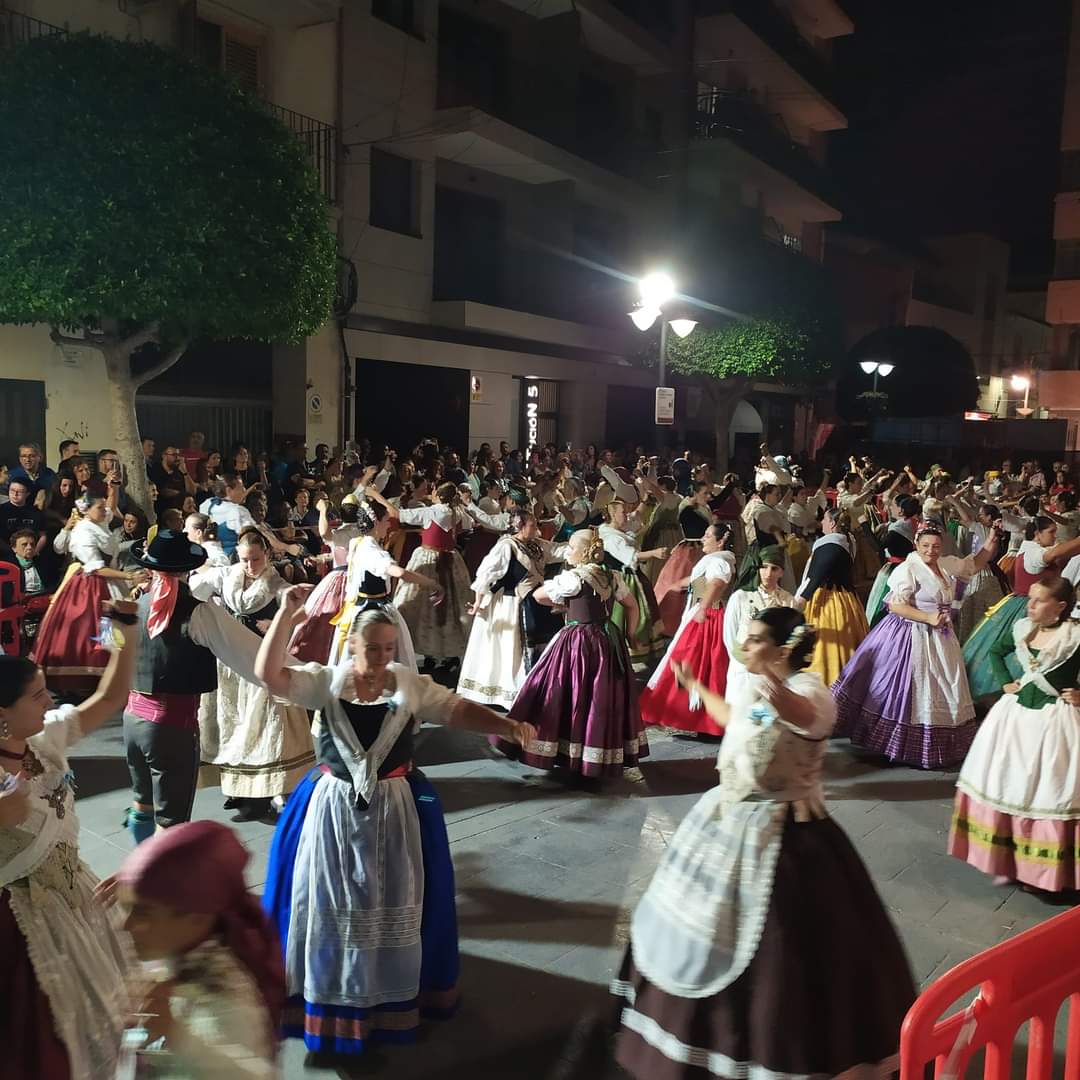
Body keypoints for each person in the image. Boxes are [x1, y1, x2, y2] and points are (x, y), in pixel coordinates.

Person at [613, 607, 914, 1080]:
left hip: (787, 834)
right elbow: (738, 720)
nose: (745, 645)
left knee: (782, 948)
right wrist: (695, 687)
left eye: (755, 639)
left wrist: (773, 681)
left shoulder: (809, 691)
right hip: (728, 819)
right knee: (696, 926)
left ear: (783, 649)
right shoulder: (759, 689)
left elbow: (806, 718)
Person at [257, 599, 535, 1061]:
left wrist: (503, 724)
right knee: (330, 899)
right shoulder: (325, 682)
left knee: (391, 899)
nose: (382, 657)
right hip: (331, 810)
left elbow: (456, 709)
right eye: (372, 648)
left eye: (388, 647)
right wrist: (287, 613)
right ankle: (330, 999)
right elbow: (270, 674)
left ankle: (384, 998)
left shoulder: (407, 683)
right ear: (351, 645)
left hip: (396, 808)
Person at [0, 605, 138, 1080]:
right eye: (37, 695)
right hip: (20, 924)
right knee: (44, 1045)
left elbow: (111, 695)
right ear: (3, 714)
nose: (49, 699)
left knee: (104, 1017)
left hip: (77, 897)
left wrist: (122, 629)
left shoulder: (44, 741)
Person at [120, 530, 275, 843]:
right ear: (186, 569)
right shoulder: (199, 612)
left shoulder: (132, 607)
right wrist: (291, 674)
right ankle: (158, 886)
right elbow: (251, 657)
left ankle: (141, 869)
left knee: (142, 804)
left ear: (151, 568)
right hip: (170, 727)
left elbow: (112, 651)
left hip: (131, 720)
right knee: (171, 821)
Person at [111, 821, 285, 1077]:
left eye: (143, 912)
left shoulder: (224, 991)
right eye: (128, 908)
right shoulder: (176, 952)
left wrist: (175, 1031)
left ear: (197, 917)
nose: (123, 925)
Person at [949, 577, 1080, 892]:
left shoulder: (1074, 637)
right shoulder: (1022, 629)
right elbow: (997, 651)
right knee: (1008, 784)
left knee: (1049, 791)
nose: (1030, 605)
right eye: (1030, 598)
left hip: (1055, 723)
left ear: (1060, 607)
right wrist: (1006, 681)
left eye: (1039, 600)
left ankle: (1043, 871)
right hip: (1015, 720)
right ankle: (1009, 860)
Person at [834, 524, 1001, 769]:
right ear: (916, 544)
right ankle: (900, 743)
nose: (931, 551)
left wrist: (991, 541)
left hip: (941, 636)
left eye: (935, 546)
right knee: (909, 688)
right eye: (925, 546)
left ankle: (940, 745)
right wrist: (928, 618)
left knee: (946, 684)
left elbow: (973, 565)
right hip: (911, 633)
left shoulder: (945, 564)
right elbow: (895, 605)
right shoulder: (908, 569)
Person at [191, 528, 316, 821]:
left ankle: (268, 790)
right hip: (228, 662)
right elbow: (195, 589)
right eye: (245, 559)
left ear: (267, 555)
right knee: (231, 722)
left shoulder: (277, 582)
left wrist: (276, 622)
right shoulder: (225, 575)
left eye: (256, 559)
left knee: (262, 726)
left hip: (260, 662)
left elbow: (302, 610)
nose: (250, 565)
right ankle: (237, 789)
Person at [506, 529, 646, 778]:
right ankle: (596, 752)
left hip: (578, 640)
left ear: (583, 552)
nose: (568, 551)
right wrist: (632, 633)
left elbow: (538, 595)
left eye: (571, 547)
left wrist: (562, 603)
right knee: (600, 697)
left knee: (565, 691)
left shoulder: (573, 578)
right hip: (607, 639)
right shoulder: (610, 575)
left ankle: (565, 749)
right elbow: (632, 605)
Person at [32, 493, 150, 692]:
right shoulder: (82, 533)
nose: (105, 511)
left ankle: (116, 676)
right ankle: (92, 679)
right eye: (100, 508)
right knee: (95, 628)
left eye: (104, 507)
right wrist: (130, 578)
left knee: (115, 628)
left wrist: (113, 488)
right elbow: (95, 568)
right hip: (90, 587)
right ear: (86, 510)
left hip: (109, 580)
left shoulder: (100, 522)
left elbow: (111, 509)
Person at [962, 515, 1080, 700]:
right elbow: (1055, 554)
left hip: (1030, 604)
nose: (1054, 537)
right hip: (1029, 606)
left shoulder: (1033, 549)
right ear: (1038, 534)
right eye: (1051, 532)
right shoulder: (1033, 553)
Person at [457, 508, 566, 708]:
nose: (536, 529)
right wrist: (478, 603)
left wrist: (581, 545)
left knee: (543, 640)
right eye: (532, 525)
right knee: (513, 648)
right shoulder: (507, 546)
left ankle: (538, 686)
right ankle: (514, 690)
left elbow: (558, 550)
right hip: (514, 603)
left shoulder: (536, 545)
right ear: (520, 526)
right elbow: (486, 575)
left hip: (537, 601)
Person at [640, 523, 736, 737]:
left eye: (707, 535)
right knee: (698, 664)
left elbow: (716, 583)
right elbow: (699, 581)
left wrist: (702, 608)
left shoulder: (720, 561)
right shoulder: (716, 560)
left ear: (720, 541)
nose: (703, 538)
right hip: (703, 614)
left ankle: (700, 719)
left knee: (695, 663)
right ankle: (700, 720)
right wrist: (679, 584)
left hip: (708, 619)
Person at [326, 497, 433, 669]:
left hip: (363, 605)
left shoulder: (358, 542)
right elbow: (399, 572)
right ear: (375, 523)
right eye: (385, 521)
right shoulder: (370, 550)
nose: (388, 525)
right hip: (372, 611)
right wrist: (430, 583)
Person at [391, 481, 476, 669]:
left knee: (422, 605)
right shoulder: (456, 511)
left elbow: (398, 514)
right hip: (451, 559)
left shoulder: (432, 512)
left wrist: (377, 496)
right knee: (450, 607)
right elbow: (465, 526)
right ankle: (447, 654)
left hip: (429, 559)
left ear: (437, 494)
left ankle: (429, 652)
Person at [794, 508, 869, 687]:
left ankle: (829, 688)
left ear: (833, 523)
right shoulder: (848, 541)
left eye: (825, 520)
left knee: (827, 650)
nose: (822, 523)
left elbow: (816, 575)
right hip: (848, 602)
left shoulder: (829, 544)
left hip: (828, 604)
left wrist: (801, 599)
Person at [722, 545, 795, 703]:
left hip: (772, 673)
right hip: (742, 670)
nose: (768, 574)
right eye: (764, 567)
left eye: (774, 568)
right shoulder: (741, 597)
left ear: (781, 572)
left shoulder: (788, 601)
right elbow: (729, 635)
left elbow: (791, 640)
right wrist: (743, 661)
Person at [600, 499, 667, 661]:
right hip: (624, 579)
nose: (627, 516)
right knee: (631, 613)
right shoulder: (610, 538)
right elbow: (629, 556)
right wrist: (654, 553)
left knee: (645, 611)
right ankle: (630, 650)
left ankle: (641, 649)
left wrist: (645, 499)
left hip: (633, 575)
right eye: (623, 513)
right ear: (613, 515)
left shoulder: (617, 530)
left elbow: (636, 518)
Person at [653, 482, 716, 637]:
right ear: (694, 493)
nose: (708, 497)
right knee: (688, 584)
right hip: (690, 551)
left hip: (703, 548)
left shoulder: (703, 508)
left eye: (709, 493)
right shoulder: (686, 508)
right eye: (704, 493)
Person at [199, 472, 256, 558]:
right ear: (229, 490)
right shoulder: (238, 511)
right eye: (241, 488)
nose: (244, 490)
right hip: (232, 559)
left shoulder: (206, 504)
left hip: (207, 555)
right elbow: (254, 535)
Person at [8, 442, 55, 507]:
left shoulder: (49, 474)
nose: (27, 460)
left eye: (32, 456)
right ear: (19, 458)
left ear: (40, 457)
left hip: (44, 512)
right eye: (23, 456)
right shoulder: (12, 475)